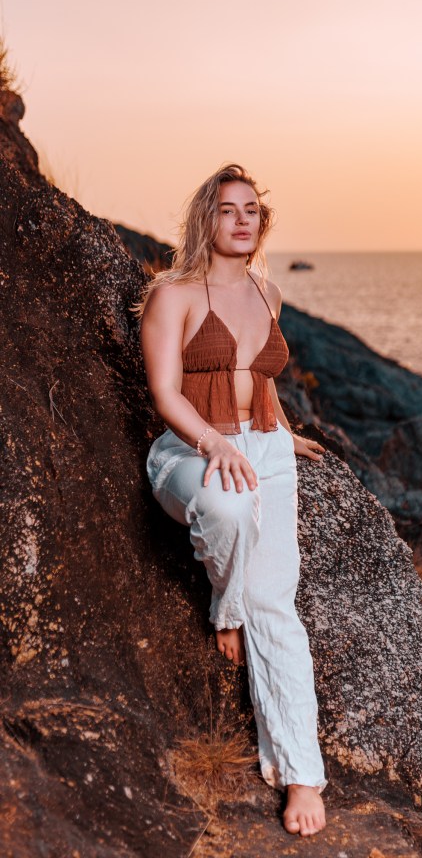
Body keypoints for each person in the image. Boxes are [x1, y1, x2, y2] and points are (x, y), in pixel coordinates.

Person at [136, 164, 327, 837]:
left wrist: (284, 438)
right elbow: (166, 393)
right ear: (205, 220)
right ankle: (227, 608)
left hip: (266, 449)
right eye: (227, 210)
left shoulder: (266, 291)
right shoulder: (174, 293)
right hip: (189, 453)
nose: (243, 219)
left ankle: (301, 773)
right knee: (225, 508)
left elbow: (257, 379)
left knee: (281, 610)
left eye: (251, 209)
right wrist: (215, 443)